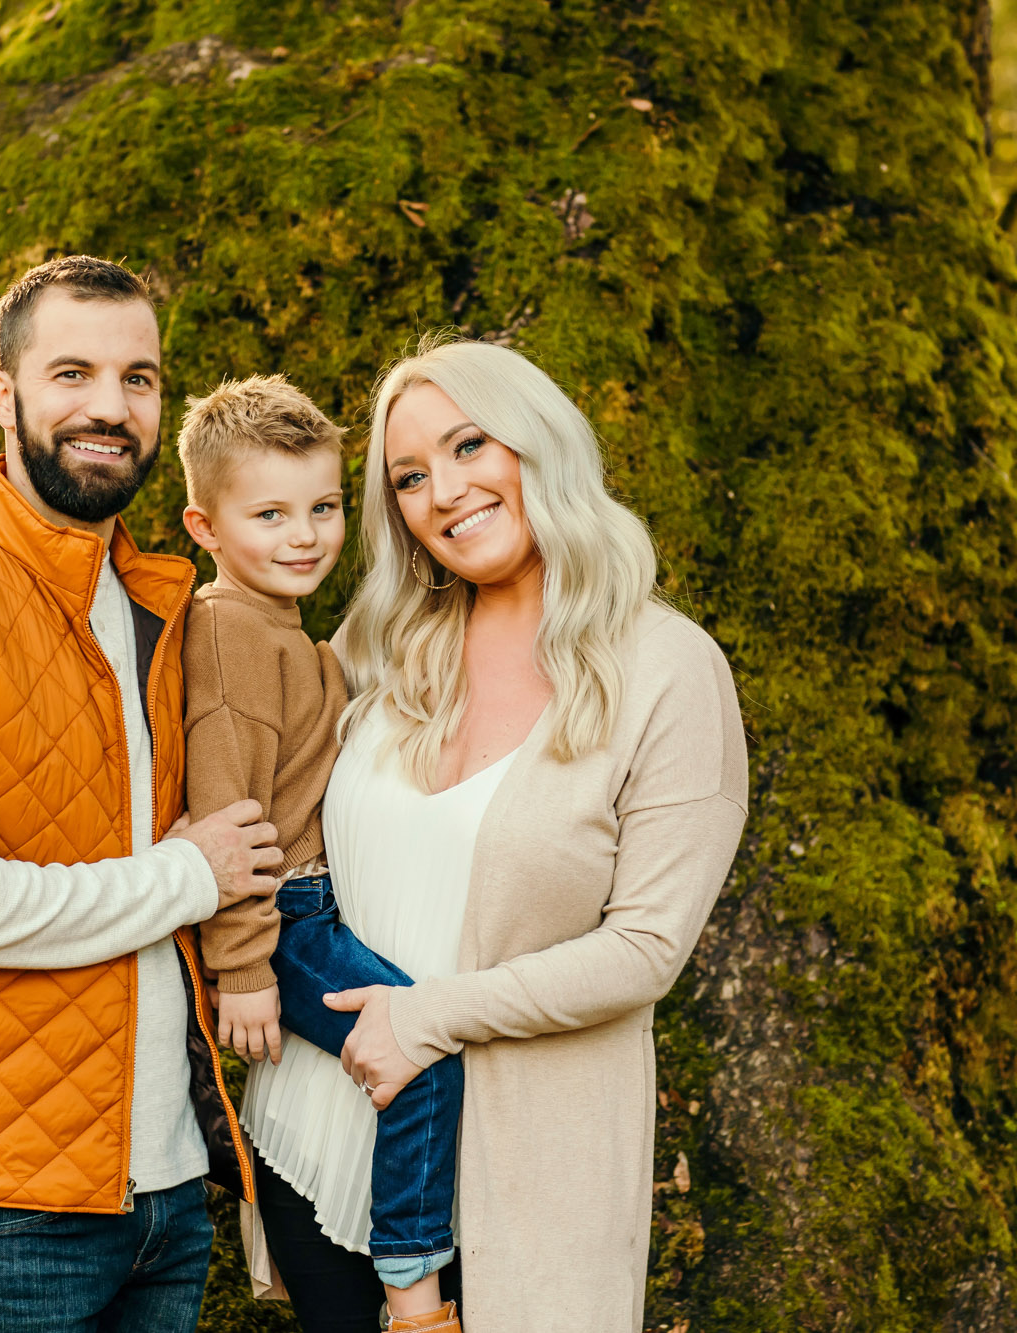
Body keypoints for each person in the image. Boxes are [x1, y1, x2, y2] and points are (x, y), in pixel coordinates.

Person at [241, 335, 749, 1332]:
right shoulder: (377, 645)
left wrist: (428, 1014)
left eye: (469, 445)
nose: (444, 491)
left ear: (537, 442)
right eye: (408, 477)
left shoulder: (667, 670)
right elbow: (271, 816)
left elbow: (645, 949)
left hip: (515, 1180)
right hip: (312, 1135)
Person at [0, 255, 282, 1332]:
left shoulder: (161, 601)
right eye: (70, 372)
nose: (108, 408)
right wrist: (187, 876)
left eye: (138, 378)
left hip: (162, 1192)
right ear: (3, 394)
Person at [175, 376, 464, 1333]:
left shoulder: (293, 633)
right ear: (205, 527)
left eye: (325, 507)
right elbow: (227, 810)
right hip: (284, 918)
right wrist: (245, 966)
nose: (304, 535)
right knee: (419, 1056)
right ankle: (414, 1283)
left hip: (309, 909)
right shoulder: (228, 636)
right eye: (270, 514)